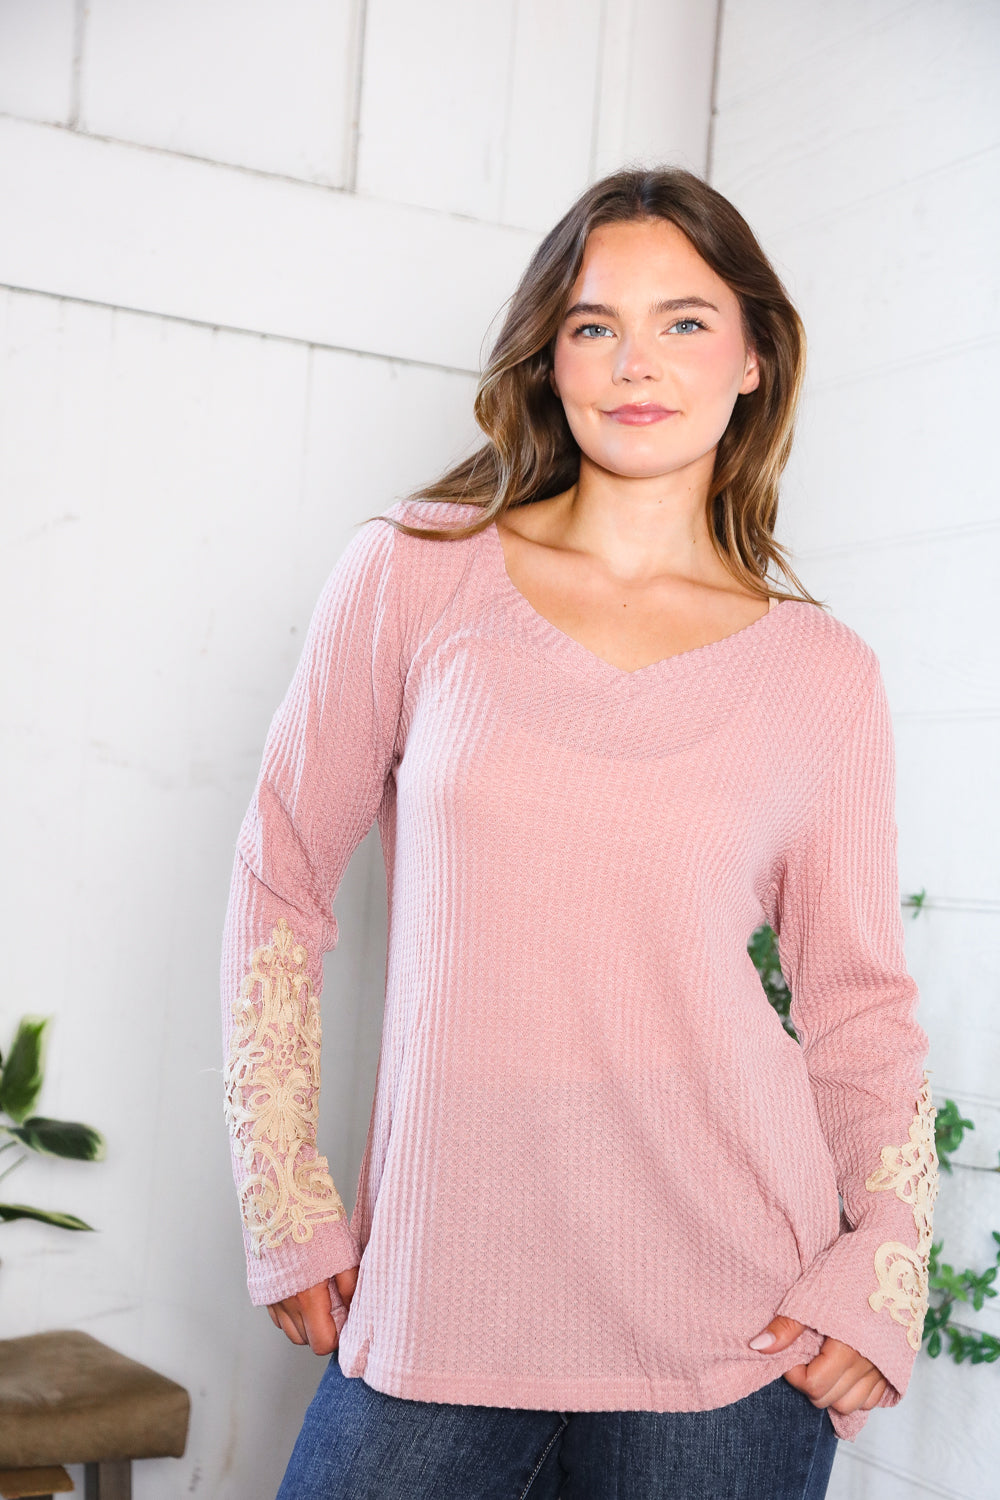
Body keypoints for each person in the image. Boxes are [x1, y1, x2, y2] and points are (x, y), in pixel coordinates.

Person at [220, 166, 939, 1500]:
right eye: (594, 324)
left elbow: (857, 1009)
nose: (634, 362)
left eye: (683, 321)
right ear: (549, 360)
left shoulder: (822, 673)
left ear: (753, 359)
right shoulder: (415, 574)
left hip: (735, 1330)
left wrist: (884, 1259)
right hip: (439, 1294)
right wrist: (285, 1195)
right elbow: (282, 881)